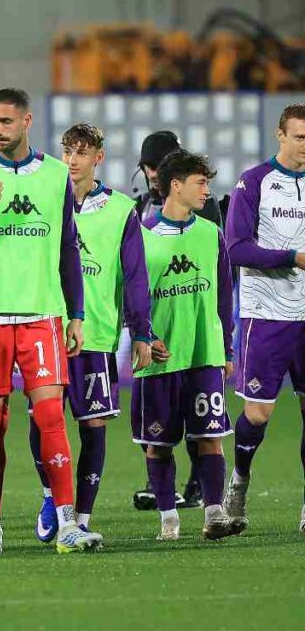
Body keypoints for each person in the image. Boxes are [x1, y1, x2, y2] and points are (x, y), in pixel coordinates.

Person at [0, 88, 101, 554]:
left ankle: (68, 523)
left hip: (41, 316)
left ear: (27, 121)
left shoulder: (55, 175)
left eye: (6, 122)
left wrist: (76, 313)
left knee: (51, 415)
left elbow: (68, 248)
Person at [27, 124, 153, 542]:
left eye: (82, 152)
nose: (73, 159)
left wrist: (141, 332)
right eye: (67, 151)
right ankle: (52, 496)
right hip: (46, 328)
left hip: (95, 334)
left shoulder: (120, 210)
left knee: (93, 426)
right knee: (43, 420)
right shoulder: (45, 200)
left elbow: (135, 276)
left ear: (99, 156)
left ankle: (81, 516)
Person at [134, 149, 237, 540]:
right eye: (200, 182)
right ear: (175, 185)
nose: (207, 190)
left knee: (210, 436)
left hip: (204, 353)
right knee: (158, 444)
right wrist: (145, 336)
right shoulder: (142, 237)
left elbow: (225, 295)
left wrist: (226, 349)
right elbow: (133, 298)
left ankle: (214, 514)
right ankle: (169, 520)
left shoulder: (211, 233)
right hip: (161, 359)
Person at [223, 102, 305, 533]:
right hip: (267, 313)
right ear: (281, 135)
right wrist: (291, 256)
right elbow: (236, 248)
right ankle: (238, 481)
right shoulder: (254, 182)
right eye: (299, 137)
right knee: (257, 415)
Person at [131, 130, 210, 511]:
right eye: (148, 167)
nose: (151, 173)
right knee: (160, 426)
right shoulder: (139, 213)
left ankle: (197, 484)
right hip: (159, 334)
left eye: (156, 166)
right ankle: (165, 489)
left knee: (200, 420)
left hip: (194, 330)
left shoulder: (203, 215)